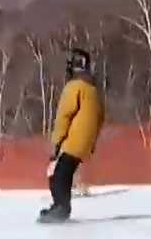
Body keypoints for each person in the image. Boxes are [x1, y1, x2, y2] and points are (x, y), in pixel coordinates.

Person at [41, 48, 104, 223]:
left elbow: (64, 116)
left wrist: (56, 142)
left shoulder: (74, 87)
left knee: (56, 173)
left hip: (72, 141)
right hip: (85, 144)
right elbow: (100, 117)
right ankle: (61, 206)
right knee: (65, 173)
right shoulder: (93, 90)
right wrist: (91, 143)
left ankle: (61, 207)